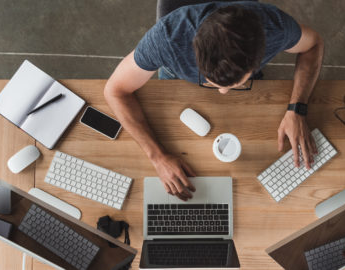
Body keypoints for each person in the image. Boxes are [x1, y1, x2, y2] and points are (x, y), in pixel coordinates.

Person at [104, 2, 324, 201]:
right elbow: (114, 90)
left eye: (235, 83)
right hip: (176, 78)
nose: (222, 92)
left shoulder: (275, 27)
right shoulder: (167, 39)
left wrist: (297, 108)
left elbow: (313, 44)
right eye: (213, 81)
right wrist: (157, 157)